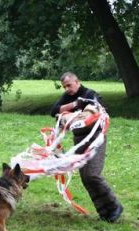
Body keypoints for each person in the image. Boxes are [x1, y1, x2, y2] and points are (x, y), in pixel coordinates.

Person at [50, 72, 123, 222]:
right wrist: (74, 105)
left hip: (95, 138)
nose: (67, 89)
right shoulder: (68, 97)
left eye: (69, 85)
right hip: (79, 139)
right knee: (85, 177)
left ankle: (115, 206)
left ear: (77, 81)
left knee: (92, 175)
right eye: (64, 87)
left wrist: (82, 110)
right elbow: (53, 111)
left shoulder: (89, 93)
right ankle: (104, 212)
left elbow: (96, 105)